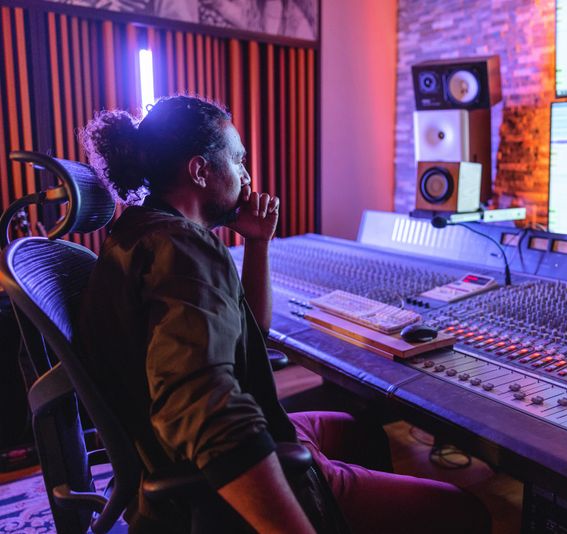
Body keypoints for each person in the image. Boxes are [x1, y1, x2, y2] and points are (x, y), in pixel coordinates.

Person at [78, 95, 491, 534]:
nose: (246, 175)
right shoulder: (184, 250)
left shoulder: (140, 230)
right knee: (464, 512)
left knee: (359, 431)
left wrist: (258, 243)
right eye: (237, 160)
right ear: (199, 170)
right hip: (206, 495)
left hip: (170, 460)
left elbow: (251, 333)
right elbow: (204, 409)